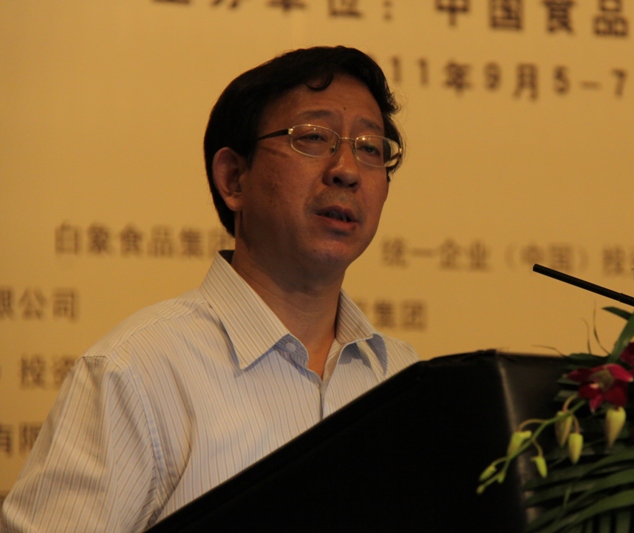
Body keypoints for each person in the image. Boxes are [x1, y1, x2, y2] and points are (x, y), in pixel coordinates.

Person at [0, 46, 418, 532]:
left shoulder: (404, 380)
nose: (346, 169)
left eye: (370, 147)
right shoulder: (137, 372)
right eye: (313, 137)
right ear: (233, 178)